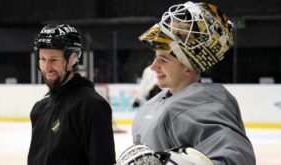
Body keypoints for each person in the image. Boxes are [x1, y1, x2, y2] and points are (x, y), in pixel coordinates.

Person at [131, 1, 256, 164]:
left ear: (188, 67)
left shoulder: (206, 107)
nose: (153, 67)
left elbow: (236, 159)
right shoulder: (154, 104)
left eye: (163, 60)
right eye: (155, 58)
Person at [28, 24, 116, 165]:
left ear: (73, 59)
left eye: (53, 60)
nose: (46, 67)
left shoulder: (91, 106)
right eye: (42, 59)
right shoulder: (39, 109)